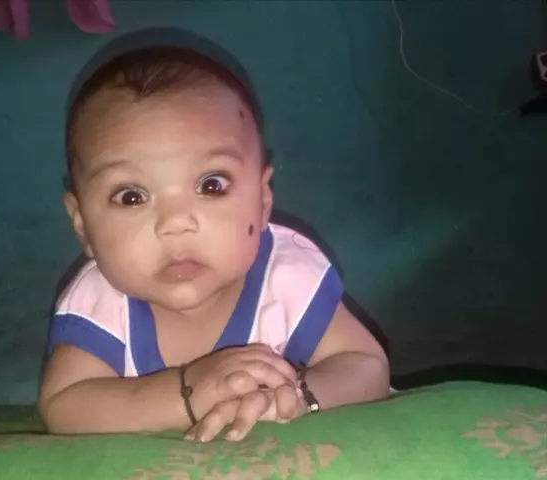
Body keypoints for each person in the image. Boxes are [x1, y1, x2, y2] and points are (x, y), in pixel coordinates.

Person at [37, 42, 390, 443]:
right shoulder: (100, 302)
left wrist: (296, 397)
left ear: (263, 200)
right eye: (131, 197)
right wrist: (189, 394)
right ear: (82, 225)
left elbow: (366, 366)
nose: (176, 223)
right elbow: (64, 405)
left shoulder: (285, 277)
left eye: (211, 185)